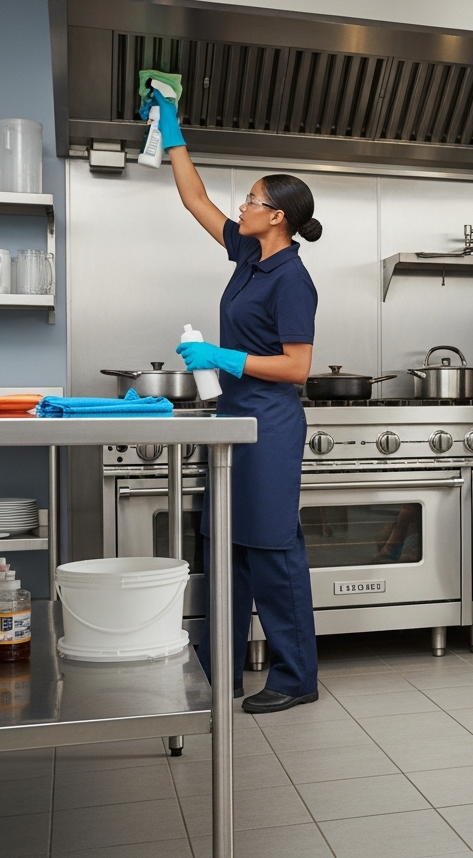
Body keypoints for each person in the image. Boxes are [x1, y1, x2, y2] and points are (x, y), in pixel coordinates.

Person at [149, 85, 321, 714]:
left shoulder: (293, 279)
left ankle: (295, 676)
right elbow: (194, 197)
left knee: (272, 548)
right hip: (234, 419)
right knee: (228, 544)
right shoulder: (249, 253)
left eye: (251, 200)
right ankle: (220, 667)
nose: (241, 206)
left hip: (271, 423)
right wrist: (173, 131)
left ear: (277, 216)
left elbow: (298, 366)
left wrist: (225, 359)